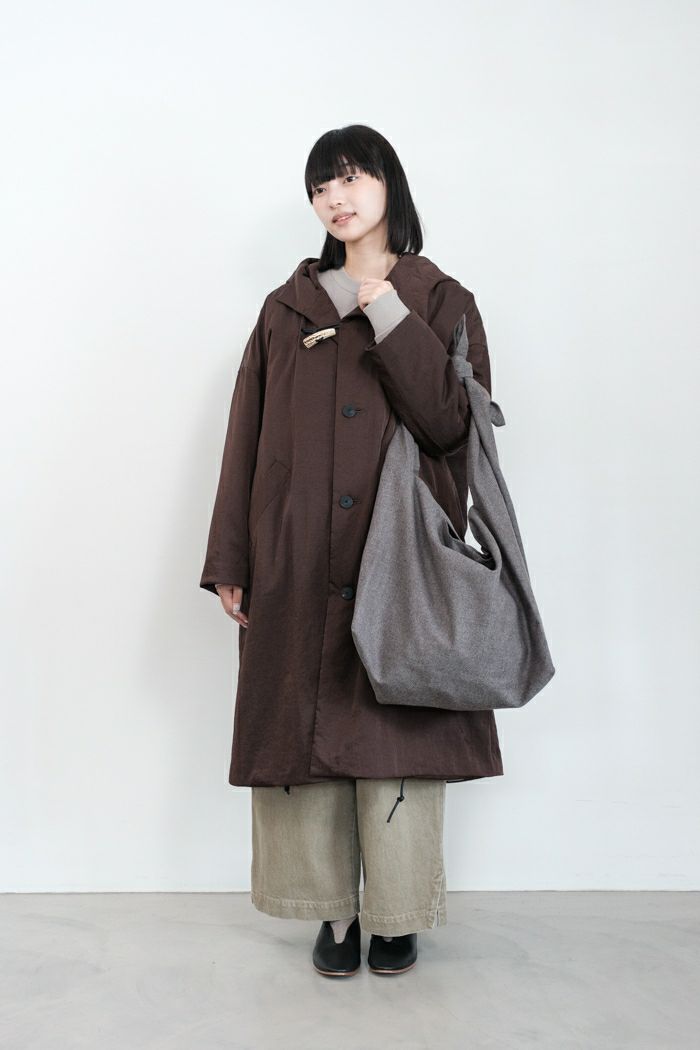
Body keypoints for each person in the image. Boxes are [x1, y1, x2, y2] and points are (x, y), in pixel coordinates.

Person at [199, 124, 504, 978]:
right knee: (301, 730)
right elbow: (246, 435)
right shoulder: (286, 309)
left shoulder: (442, 300)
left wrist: (390, 315)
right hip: (295, 556)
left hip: (398, 556)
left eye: (352, 177)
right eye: (320, 185)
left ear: (388, 184)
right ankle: (327, 910)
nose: (336, 198)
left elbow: (453, 429)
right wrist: (231, 559)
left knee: (395, 729)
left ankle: (397, 913)